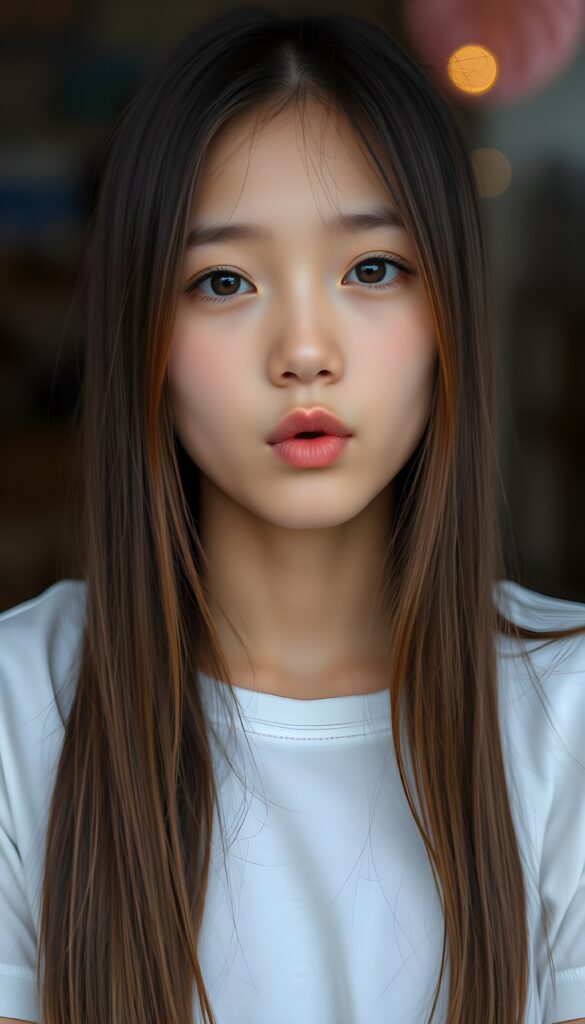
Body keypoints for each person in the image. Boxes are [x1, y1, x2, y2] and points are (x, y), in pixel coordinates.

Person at [1, 7, 584, 1024]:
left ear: (452, 307)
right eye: (224, 281)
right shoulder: (17, 712)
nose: (305, 349)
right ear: (142, 330)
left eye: (371, 269)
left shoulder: (569, 715)